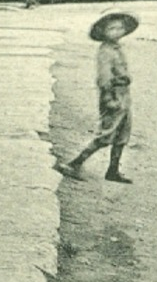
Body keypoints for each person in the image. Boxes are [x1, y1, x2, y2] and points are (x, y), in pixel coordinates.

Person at [58, 10, 139, 184]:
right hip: (112, 95)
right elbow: (104, 78)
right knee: (106, 135)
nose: (116, 32)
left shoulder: (117, 49)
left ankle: (113, 170)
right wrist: (109, 98)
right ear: (103, 32)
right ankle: (74, 164)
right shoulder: (105, 51)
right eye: (111, 29)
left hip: (124, 95)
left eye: (120, 28)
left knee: (123, 134)